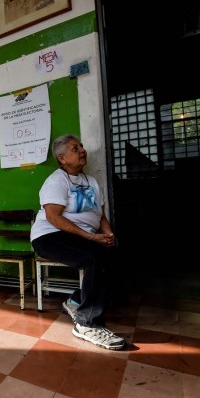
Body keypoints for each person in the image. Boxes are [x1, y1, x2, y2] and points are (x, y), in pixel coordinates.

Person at [30, 134, 125, 350]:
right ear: (62, 158)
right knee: (94, 257)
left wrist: (108, 236)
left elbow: (100, 217)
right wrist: (91, 237)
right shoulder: (56, 180)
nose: (82, 150)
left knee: (115, 256)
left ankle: (75, 301)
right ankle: (87, 324)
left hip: (80, 236)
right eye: (75, 148)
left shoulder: (91, 181)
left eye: (81, 146)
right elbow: (54, 217)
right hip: (49, 236)